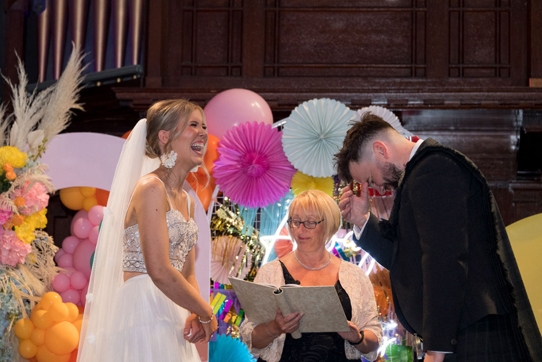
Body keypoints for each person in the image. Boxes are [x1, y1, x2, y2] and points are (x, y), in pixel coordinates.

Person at [335, 112, 542, 362]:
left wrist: (437, 348)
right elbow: (407, 259)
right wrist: (361, 220)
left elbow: (444, 261)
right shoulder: (420, 175)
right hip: (461, 330)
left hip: (472, 331)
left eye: (370, 179)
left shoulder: (434, 168)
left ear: (381, 150)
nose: (377, 188)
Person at [78, 99, 218, 361]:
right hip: (143, 310)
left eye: (204, 127)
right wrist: (206, 312)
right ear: (165, 136)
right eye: (193, 125)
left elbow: (187, 272)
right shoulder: (150, 188)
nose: (203, 132)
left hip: (173, 310)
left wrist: (192, 311)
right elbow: (159, 269)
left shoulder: (188, 200)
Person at [240, 189, 382, 362]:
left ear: (328, 224)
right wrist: (275, 327)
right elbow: (250, 337)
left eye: (310, 222)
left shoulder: (355, 276)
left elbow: (374, 339)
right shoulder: (270, 273)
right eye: (295, 221)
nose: (300, 229)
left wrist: (357, 338)